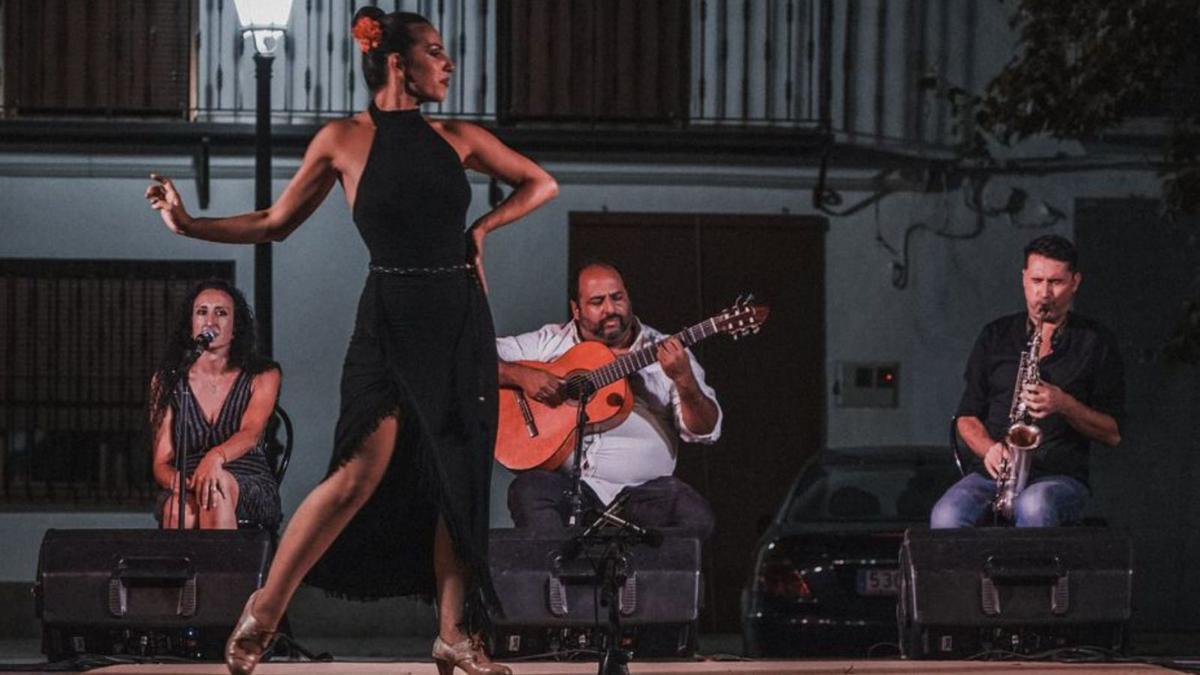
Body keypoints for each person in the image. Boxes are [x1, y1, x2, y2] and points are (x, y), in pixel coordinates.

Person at [145, 9, 557, 675]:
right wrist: (188, 225)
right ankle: (266, 606)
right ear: (397, 61)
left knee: (461, 479)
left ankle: (455, 634)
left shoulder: (458, 135)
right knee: (355, 474)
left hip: (457, 319)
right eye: (435, 51)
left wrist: (483, 228)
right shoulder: (343, 139)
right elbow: (275, 221)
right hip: (389, 317)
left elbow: (541, 183)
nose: (448, 64)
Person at [496, 261, 720, 541]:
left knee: (695, 516)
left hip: (644, 492)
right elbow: (474, 356)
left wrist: (684, 379)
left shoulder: (666, 351)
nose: (610, 309)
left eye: (617, 298)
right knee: (527, 491)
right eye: (597, 302)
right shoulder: (550, 342)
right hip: (570, 487)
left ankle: (642, 583)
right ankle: (559, 581)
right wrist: (519, 374)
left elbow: (705, 431)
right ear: (576, 310)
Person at [930, 235, 1124, 528]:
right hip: (993, 474)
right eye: (1036, 280)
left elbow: (1113, 434)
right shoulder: (995, 336)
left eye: (1056, 282)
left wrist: (1064, 404)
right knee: (946, 516)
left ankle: (1031, 576)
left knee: (1034, 505)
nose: (1044, 294)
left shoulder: (1096, 342)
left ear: (1075, 282)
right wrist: (989, 449)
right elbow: (966, 417)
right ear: (1023, 279)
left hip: (1059, 477)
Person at [150, 279, 282, 531]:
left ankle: (224, 571)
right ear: (191, 325)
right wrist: (176, 480)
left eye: (221, 313)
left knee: (215, 489)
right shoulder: (167, 379)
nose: (210, 321)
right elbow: (161, 463)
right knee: (181, 511)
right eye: (202, 312)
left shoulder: (263, 374)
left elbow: (251, 433)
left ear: (235, 328)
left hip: (245, 479)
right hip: (189, 482)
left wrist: (215, 458)